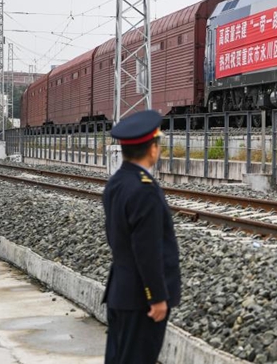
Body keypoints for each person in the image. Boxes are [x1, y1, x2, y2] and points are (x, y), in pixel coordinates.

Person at [102, 110, 181, 364]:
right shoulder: (144, 190)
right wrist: (156, 296)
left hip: (119, 292)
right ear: (153, 149)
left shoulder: (116, 183)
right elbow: (147, 251)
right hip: (140, 301)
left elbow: (115, 239)